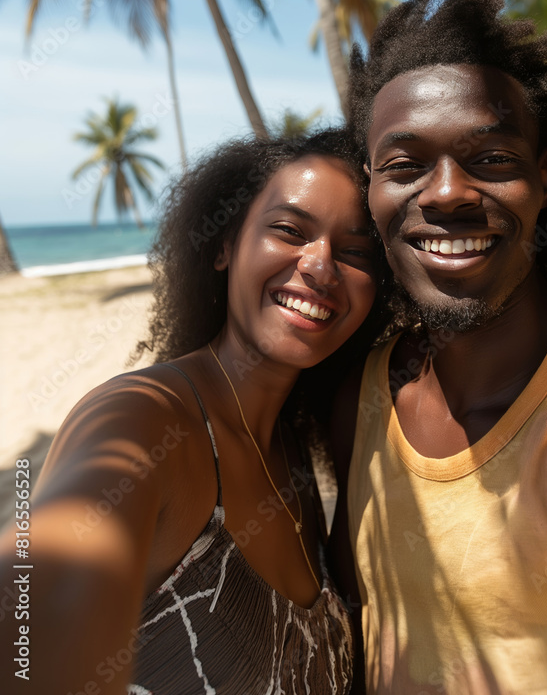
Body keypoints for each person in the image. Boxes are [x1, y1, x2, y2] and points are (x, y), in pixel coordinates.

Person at [329, 0, 547, 695]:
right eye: (404, 166)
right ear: (369, 191)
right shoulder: (356, 399)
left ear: (543, 180)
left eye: (489, 159)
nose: (447, 192)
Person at [0, 129, 384, 695]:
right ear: (225, 244)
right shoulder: (147, 418)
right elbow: (32, 602)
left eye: (355, 251)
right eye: (288, 230)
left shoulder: (295, 451)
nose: (321, 267)